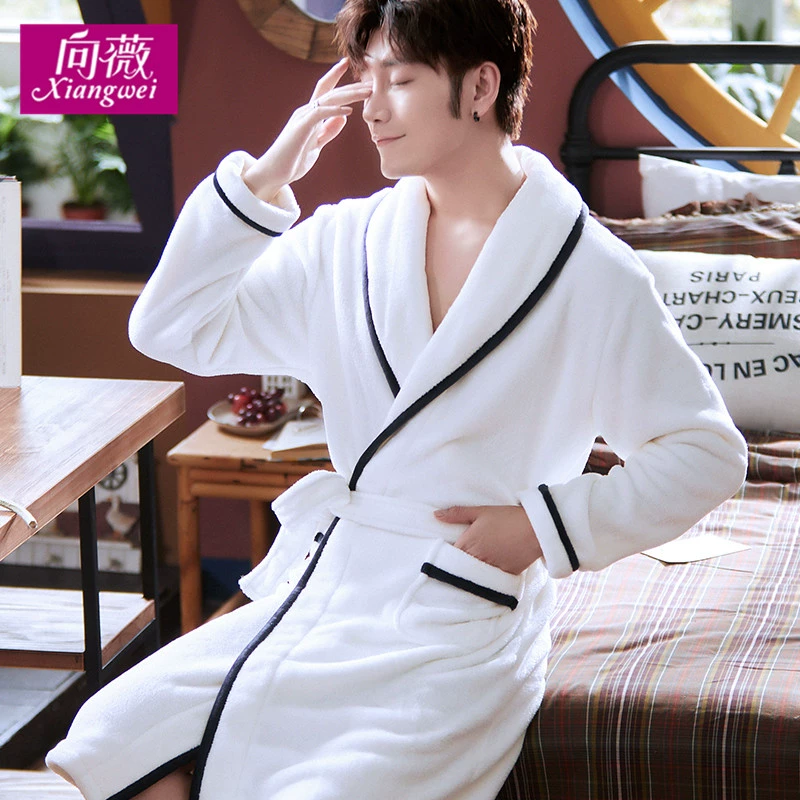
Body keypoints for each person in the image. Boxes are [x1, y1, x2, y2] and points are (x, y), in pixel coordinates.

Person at [46, 1, 747, 798]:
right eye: (365, 78)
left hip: (456, 613)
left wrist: (540, 527)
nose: (372, 107)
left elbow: (706, 455)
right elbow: (171, 329)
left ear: (480, 87)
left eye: (401, 80)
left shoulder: (590, 273)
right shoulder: (344, 244)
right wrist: (266, 178)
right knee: (114, 739)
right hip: (329, 591)